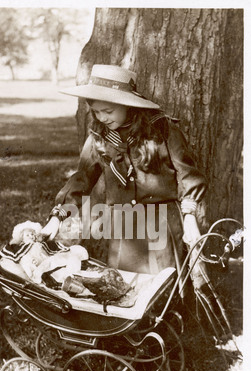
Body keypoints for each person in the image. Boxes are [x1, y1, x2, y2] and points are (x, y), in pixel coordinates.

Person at [41, 64, 207, 294]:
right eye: (96, 112)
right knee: (124, 287)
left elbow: (187, 174)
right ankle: (129, 329)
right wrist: (58, 217)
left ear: (127, 105)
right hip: (124, 223)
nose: (102, 117)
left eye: (108, 111)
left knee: (162, 287)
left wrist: (190, 217)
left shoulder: (161, 129)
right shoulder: (100, 136)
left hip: (162, 221)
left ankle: (165, 326)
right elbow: (81, 179)